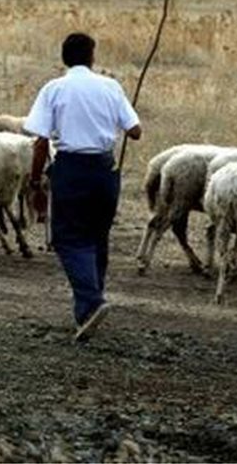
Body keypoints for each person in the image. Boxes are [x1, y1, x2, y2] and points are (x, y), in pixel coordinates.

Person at [23, 33, 142, 342]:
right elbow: (136, 131)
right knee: (96, 237)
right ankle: (86, 315)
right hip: (105, 173)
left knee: (69, 240)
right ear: (92, 57)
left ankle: (92, 302)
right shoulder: (110, 87)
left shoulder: (54, 89)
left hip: (71, 171)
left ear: (64, 58)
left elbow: (40, 141)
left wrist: (35, 182)